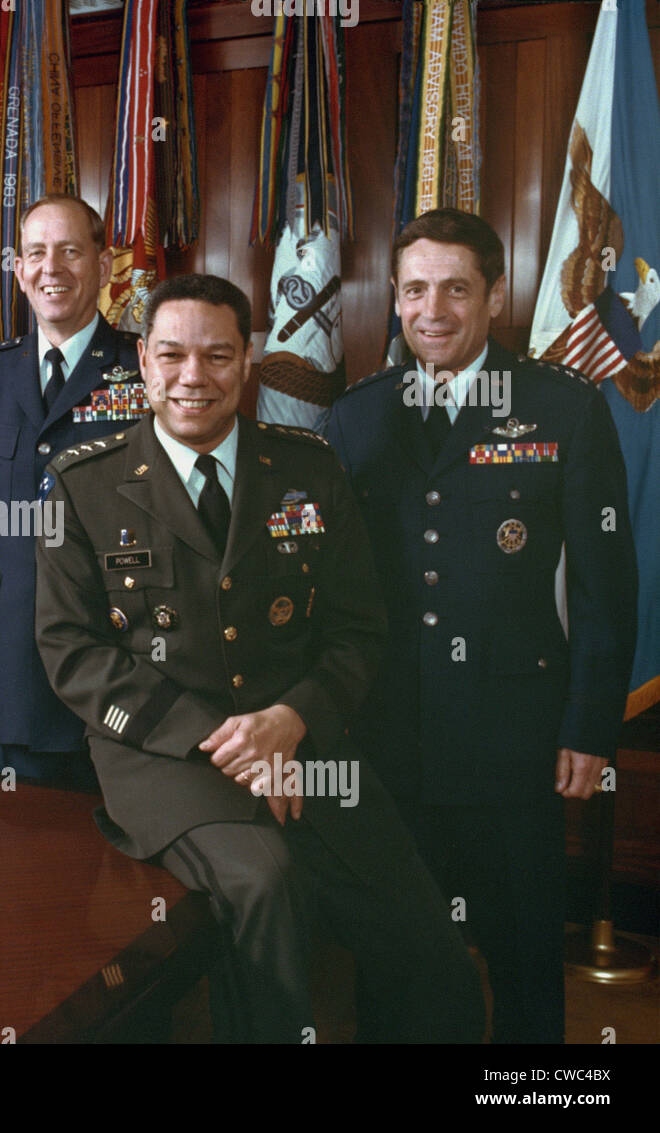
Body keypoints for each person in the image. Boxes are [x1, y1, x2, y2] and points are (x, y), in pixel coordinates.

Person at [35, 273, 483, 1042]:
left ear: (249, 360)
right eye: (172, 355)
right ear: (143, 361)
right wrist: (232, 745)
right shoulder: (83, 484)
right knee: (266, 884)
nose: (192, 377)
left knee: (428, 941)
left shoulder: (308, 468)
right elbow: (71, 651)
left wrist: (291, 719)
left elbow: (357, 629)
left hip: (304, 743)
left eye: (216, 355)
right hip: (163, 755)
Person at [326, 208, 637, 1043]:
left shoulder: (561, 408)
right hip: (388, 732)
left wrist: (589, 726)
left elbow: (608, 584)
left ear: (494, 296)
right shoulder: (356, 416)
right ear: (394, 297)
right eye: (417, 289)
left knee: (525, 950)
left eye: (456, 289)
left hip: (516, 735)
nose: (434, 309)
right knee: (396, 952)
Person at [0, 194, 143, 788]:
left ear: (104, 267)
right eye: (35, 253)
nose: (50, 267)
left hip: (121, 663)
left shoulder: (145, 366)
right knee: (18, 861)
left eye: (70, 251)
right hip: (12, 669)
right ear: (19, 268)